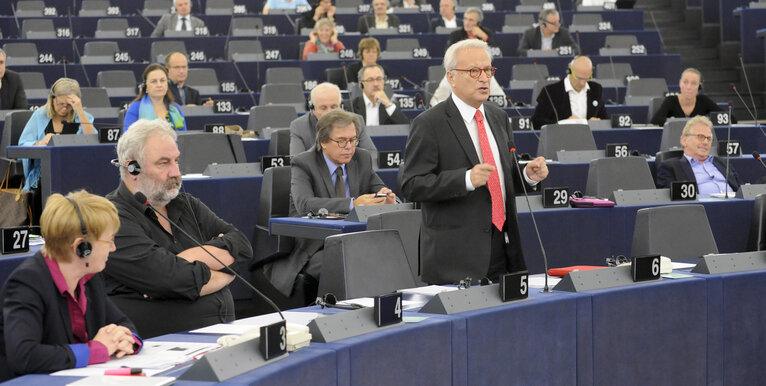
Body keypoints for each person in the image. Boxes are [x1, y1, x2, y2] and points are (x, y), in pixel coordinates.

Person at [400, 39, 549, 285]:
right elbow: (412, 185)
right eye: (473, 71)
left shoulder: (498, 116)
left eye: (488, 70)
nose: (484, 78)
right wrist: (465, 179)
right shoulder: (429, 124)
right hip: (456, 257)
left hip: (504, 246)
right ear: (451, 77)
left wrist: (526, 176)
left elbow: (499, 175)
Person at [103, 119, 253, 338]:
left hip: (219, 340)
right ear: (132, 167)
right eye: (164, 163)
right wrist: (227, 273)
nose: (175, 172)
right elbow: (167, 279)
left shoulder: (186, 204)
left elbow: (242, 246)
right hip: (157, 349)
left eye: (176, 161)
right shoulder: (111, 218)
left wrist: (185, 260)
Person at [0, 191, 141, 381]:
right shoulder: (27, 284)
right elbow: (24, 355)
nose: (113, 248)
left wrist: (126, 340)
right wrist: (96, 350)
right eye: (109, 241)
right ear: (82, 247)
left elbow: (123, 323)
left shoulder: (89, 278)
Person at [267, 109, 396, 297]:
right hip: (316, 245)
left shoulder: (361, 158)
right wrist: (353, 204)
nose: (349, 147)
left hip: (357, 239)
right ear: (323, 142)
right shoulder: (304, 163)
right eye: (341, 141)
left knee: (389, 258)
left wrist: (387, 199)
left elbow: (379, 189)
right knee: (354, 263)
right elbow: (305, 205)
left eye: (353, 140)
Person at [18, 78, 95, 193]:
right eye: (60, 104)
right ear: (52, 100)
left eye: (68, 105)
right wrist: (40, 143)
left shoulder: (83, 117)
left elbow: (93, 142)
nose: (64, 108)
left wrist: (79, 110)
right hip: (45, 174)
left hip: (75, 171)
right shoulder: (40, 115)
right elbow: (22, 146)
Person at [656, 115, 742, 197]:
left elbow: (742, 190)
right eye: (700, 137)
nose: (705, 142)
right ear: (684, 140)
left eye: (709, 138)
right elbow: (670, 202)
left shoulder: (724, 163)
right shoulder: (670, 167)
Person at [289, 82, 377, 155]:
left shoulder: (355, 121)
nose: (329, 113)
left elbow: (371, 154)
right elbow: (297, 161)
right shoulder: (299, 126)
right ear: (312, 108)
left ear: (341, 107)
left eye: (334, 107)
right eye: (323, 108)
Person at [530, 55, 608, 130]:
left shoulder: (596, 89)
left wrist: (598, 122)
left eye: (586, 78)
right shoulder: (550, 92)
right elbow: (537, 122)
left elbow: (605, 119)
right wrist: (563, 124)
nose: (582, 83)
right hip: (560, 139)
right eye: (579, 78)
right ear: (569, 71)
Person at [650, 68, 731, 126]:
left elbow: (730, 119)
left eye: (693, 83)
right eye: (685, 82)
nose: (688, 87)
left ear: (699, 86)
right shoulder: (671, 100)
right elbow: (655, 120)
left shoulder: (703, 101)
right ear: (680, 83)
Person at [123, 64, 186, 132]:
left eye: (162, 80)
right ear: (146, 86)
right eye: (154, 81)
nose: (159, 85)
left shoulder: (176, 109)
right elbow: (128, 138)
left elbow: (184, 138)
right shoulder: (135, 108)